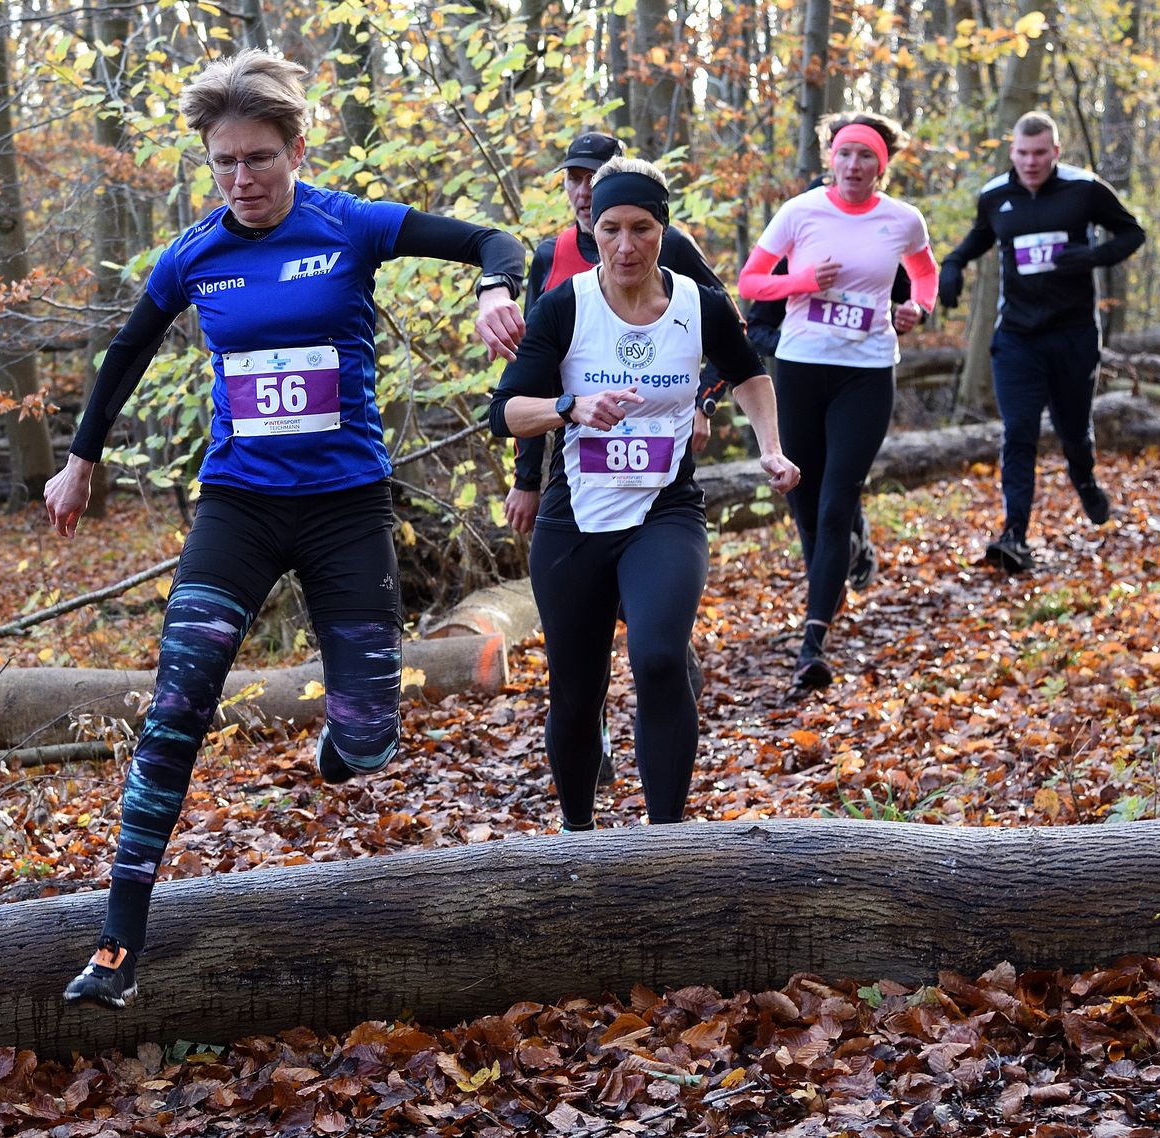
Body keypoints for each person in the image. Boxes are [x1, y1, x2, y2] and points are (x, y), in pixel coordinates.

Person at [44, 49, 525, 1009]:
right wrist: (80, 456)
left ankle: (343, 746)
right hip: (240, 505)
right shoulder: (194, 253)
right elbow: (127, 353)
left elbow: (496, 240)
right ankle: (116, 944)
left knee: (373, 738)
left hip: (346, 508)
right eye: (224, 163)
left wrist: (493, 292)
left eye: (259, 159)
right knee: (177, 706)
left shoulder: (350, 224)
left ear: (296, 148)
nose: (241, 181)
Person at [488, 157, 799, 831]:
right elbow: (506, 412)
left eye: (642, 228)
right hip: (574, 524)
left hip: (665, 512)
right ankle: (578, 836)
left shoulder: (698, 304)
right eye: (610, 229)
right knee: (577, 693)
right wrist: (570, 406)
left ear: (663, 229)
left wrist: (770, 446)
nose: (626, 246)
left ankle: (665, 844)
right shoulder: (565, 305)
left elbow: (749, 374)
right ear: (590, 228)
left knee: (659, 658)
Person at [737, 112, 938, 691]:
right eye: (845, 154)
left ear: (883, 164)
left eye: (866, 157)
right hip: (800, 369)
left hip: (867, 373)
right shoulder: (800, 212)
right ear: (830, 157)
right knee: (803, 496)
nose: (854, 166)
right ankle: (838, 564)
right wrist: (799, 282)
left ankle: (812, 642)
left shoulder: (903, 220)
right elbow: (750, 283)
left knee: (836, 501)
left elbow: (925, 277)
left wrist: (917, 309)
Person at [937, 110, 1146, 573]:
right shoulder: (995, 196)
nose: (1031, 162)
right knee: (1019, 434)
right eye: (1023, 153)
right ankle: (1015, 534)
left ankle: (1086, 482)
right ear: (1012, 152)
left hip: (1072, 334)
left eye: (1040, 153)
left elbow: (1133, 233)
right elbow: (977, 239)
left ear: (1055, 152)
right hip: (1016, 337)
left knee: (1073, 431)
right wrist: (952, 265)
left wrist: (1091, 257)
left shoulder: (1084, 189)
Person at [505, 131, 727, 537]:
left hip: (662, 424)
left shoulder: (668, 244)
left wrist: (704, 402)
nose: (583, 192)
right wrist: (525, 479)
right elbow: (529, 375)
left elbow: (731, 329)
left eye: (593, 178)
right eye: (573, 178)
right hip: (574, 436)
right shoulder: (550, 255)